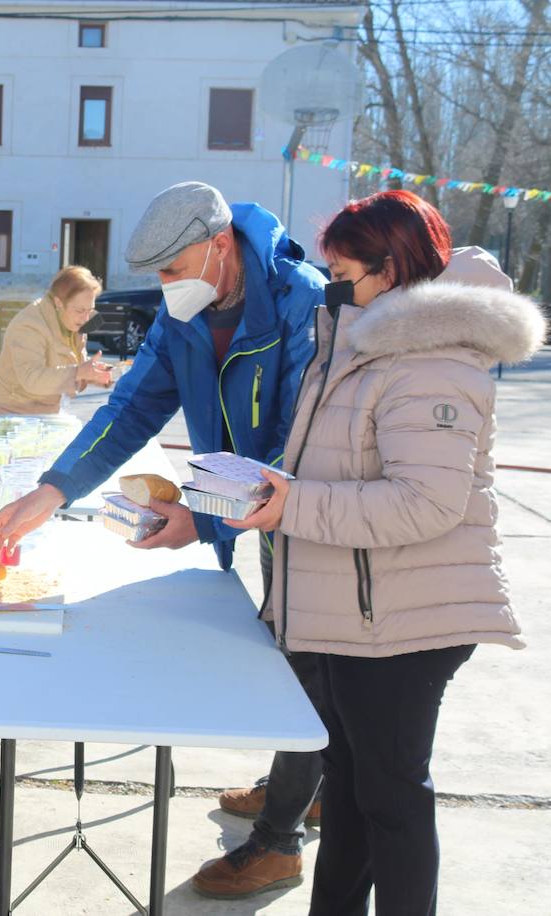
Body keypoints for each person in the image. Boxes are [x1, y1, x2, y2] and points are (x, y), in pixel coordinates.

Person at [0, 181, 325, 900]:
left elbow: (300, 445)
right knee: (288, 649)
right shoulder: (184, 313)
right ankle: (301, 783)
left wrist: (204, 516)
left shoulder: (303, 302)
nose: (166, 287)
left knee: (307, 664)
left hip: (312, 517)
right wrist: (53, 489)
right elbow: (130, 409)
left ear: (220, 245)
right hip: (247, 508)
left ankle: (280, 840)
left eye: (174, 269)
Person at [228, 190, 541, 914]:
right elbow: (338, 467)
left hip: (406, 620)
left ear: (391, 269)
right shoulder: (363, 343)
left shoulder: (431, 361)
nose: (332, 286)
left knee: (391, 799)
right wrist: (270, 489)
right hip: (359, 609)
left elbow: (424, 502)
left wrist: (293, 504)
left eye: (344, 273)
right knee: (351, 792)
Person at [0, 265, 112, 416]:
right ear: (58, 302)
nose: (86, 318)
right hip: (7, 410)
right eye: (80, 310)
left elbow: (70, 369)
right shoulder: (29, 325)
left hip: (44, 411)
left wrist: (92, 374)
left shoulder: (75, 322)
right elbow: (32, 379)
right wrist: (78, 372)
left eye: (90, 310)